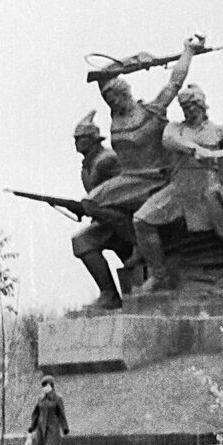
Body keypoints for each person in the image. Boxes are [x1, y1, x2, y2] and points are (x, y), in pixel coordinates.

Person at [133, 83, 223, 299]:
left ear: (202, 105)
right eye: (184, 106)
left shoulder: (219, 131)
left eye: (192, 105)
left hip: (207, 188)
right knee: (142, 220)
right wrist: (193, 149)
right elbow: (169, 140)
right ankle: (158, 276)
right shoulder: (177, 128)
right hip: (179, 188)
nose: (188, 109)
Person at [81, 36, 204, 258]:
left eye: (114, 98)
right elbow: (103, 73)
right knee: (92, 202)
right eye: (108, 100)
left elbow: (174, 83)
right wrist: (136, 59)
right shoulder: (115, 117)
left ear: (124, 94)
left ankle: (147, 248)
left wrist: (188, 52)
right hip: (129, 178)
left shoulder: (151, 111)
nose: (111, 103)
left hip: (156, 176)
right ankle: (138, 243)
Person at [71, 110, 132, 310]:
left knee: (82, 241)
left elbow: (126, 188)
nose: (77, 142)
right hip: (105, 220)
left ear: (93, 139)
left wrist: (98, 209)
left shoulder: (107, 160)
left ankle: (110, 294)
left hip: (122, 220)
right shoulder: (86, 168)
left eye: (81, 138)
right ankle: (115, 294)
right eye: (76, 139)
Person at [23, 375, 69, 445]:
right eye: (44, 386)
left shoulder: (57, 399)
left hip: (52, 427)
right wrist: (32, 426)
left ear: (52, 386)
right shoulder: (41, 399)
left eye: (47, 386)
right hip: (40, 427)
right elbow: (36, 413)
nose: (46, 388)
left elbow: (61, 414)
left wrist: (65, 428)